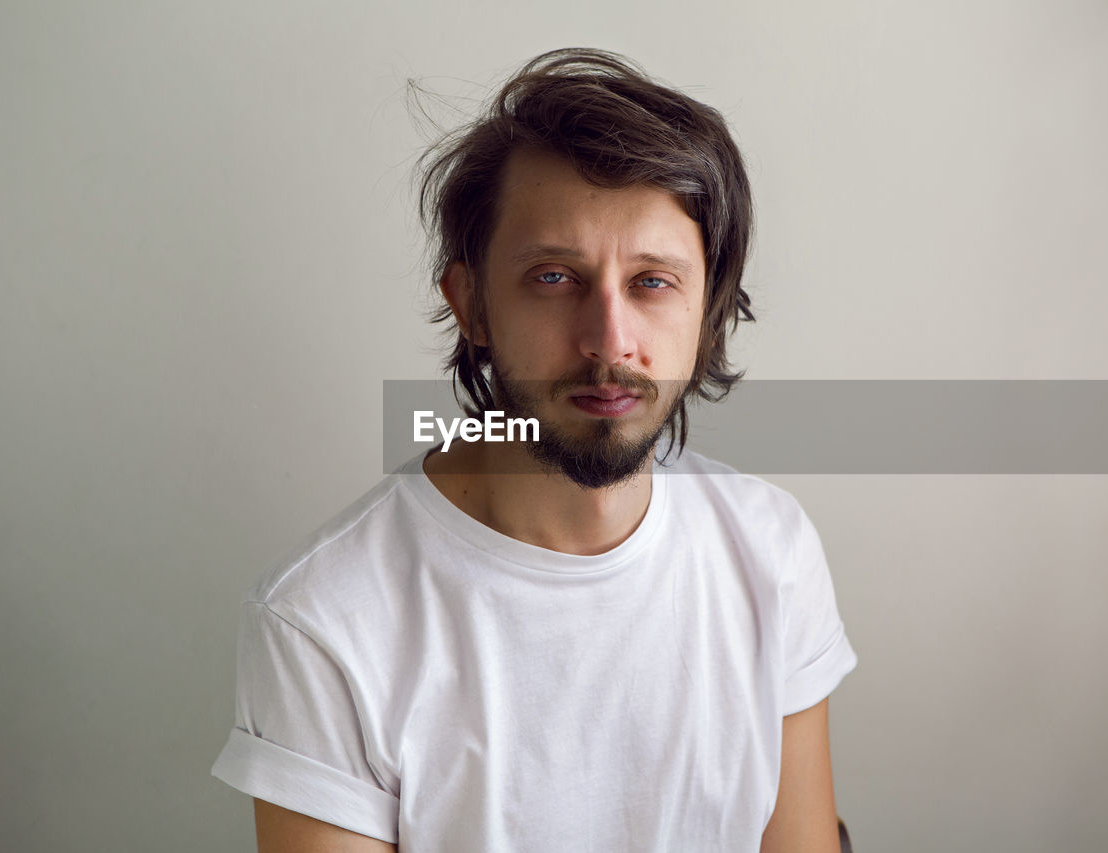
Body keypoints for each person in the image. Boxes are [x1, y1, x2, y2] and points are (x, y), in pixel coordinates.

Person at [211, 48, 857, 853]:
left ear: (708, 309)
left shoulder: (771, 548)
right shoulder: (324, 620)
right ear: (472, 304)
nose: (609, 341)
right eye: (554, 277)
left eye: (653, 281)